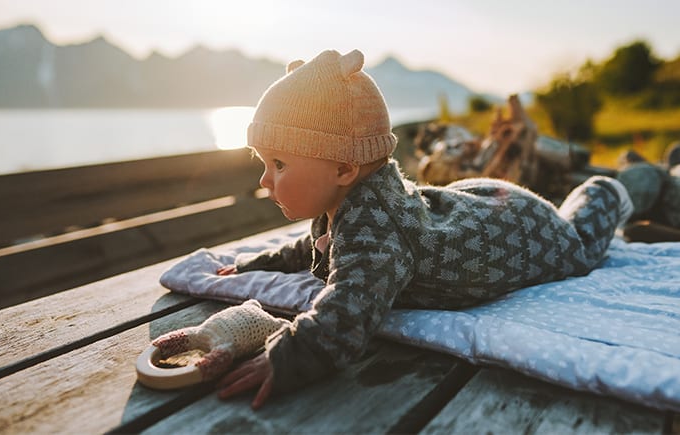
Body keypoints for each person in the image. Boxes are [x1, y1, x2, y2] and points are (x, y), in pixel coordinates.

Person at [158, 49, 634, 409]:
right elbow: (313, 248)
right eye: (263, 163)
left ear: (345, 167)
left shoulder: (376, 228)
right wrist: (251, 265)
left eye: (278, 164)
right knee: (444, 206)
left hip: (533, 234)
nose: (264, 181)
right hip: (479, 208)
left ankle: (619, 185)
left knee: (584, 239)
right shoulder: (345, 203)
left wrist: (291, 355)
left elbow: (348, 313)